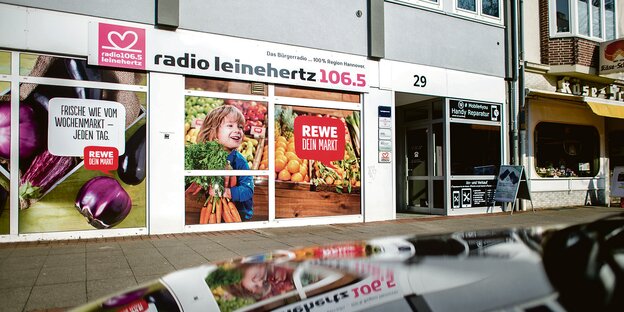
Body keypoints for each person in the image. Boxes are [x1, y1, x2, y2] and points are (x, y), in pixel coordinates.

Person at [197, 105, 254, 221]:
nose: (237, 130)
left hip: (237, 214)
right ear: (213, 131)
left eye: (240, 127)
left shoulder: (240, 162)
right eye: (230, 125)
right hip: (214, 211)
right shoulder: (207, 157)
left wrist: (226, 192)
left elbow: (248, 190)